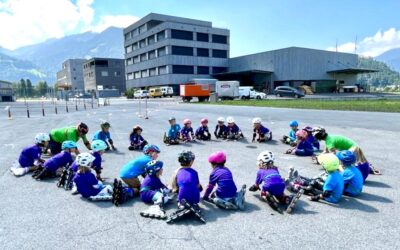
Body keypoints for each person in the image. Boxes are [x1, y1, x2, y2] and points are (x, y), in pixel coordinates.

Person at [313, 127, 380, 175]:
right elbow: (326, 151)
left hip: (352, 149)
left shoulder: (329, 142)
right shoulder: (329, 138)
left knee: (340, 161)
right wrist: (319, 156)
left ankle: (345, 174)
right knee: (356, 161)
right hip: (355, 147)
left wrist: (324, 160)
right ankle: (368, 167)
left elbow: (333, 154)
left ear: (319, 136)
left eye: (316, 136)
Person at [167, 151, 205, 224]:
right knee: (197, 187)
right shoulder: (194, 172)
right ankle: (193, 204)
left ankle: (181, 206)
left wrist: (176, 190)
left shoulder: (177, 172)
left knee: (180, 188)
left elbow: (173, 186)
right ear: (191, 162)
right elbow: (198, 186)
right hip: (195, 199)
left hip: (182, 199)